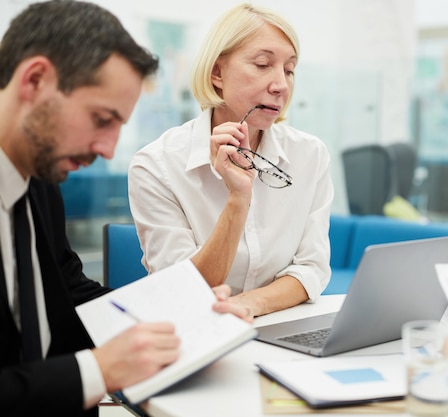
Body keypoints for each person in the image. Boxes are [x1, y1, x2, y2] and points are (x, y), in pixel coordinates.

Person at [0, 2, 250, 416]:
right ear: (36, 80)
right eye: (101, 119)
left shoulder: (39, 177)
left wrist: (183, 312)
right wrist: (96, 372)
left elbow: (68, 292)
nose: (108, 149)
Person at [128, 4, 334, 317]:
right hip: (193, 329)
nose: (281, 85)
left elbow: (311, 269)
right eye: (263, 64)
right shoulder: (156, 166)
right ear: (217, 72)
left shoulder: (310, 155)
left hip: (275, 324)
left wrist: (248, 305)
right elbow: (182, 289)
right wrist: (238, 199)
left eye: (289, 70)